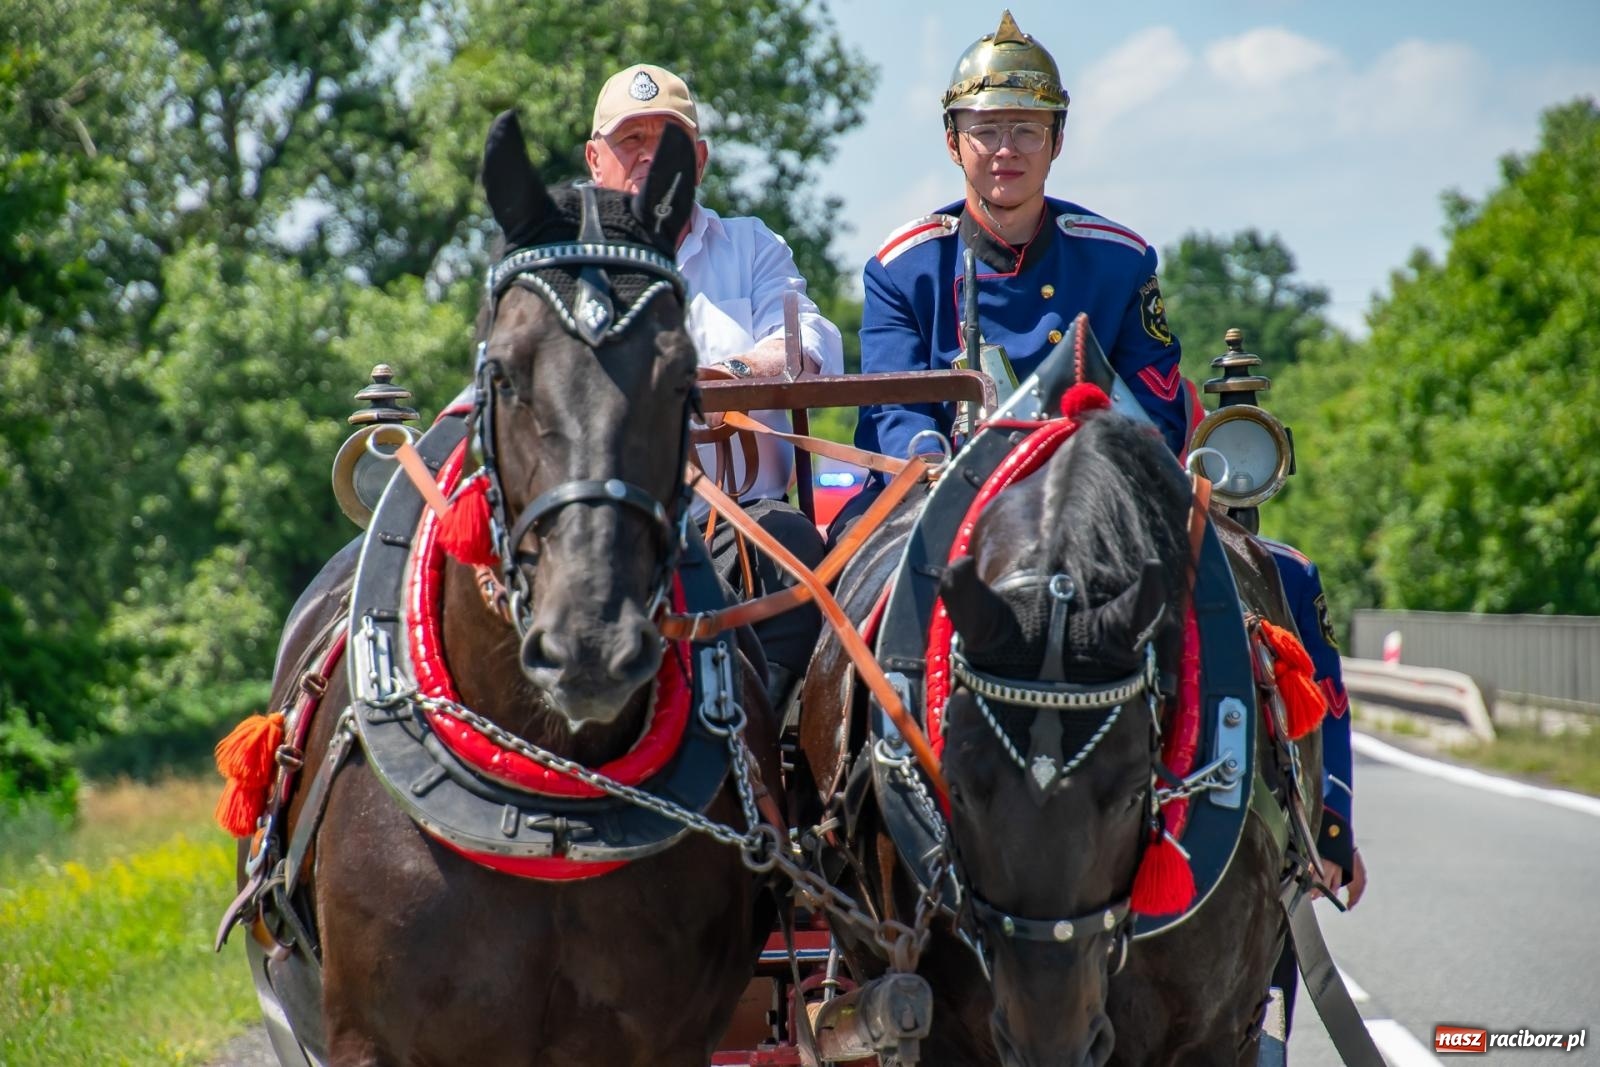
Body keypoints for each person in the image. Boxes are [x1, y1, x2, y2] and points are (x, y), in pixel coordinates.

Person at [846, 10, 1188, 524]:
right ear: (952, 143)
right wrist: (946, 478)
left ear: (1058, 141)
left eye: (1028, 130)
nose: (1007, 150)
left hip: (1090, 500)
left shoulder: (1120, 260)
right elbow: (895, 414)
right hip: (942, 499)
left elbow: (1154, 410)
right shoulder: (903, 269)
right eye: (985, 131)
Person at [586, 64, 845, 702]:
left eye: (668, 140)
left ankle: (761, 758)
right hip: (606, 532)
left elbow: (810, 341)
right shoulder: (565, 265)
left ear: (697, 160)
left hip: (744, 533)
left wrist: (726, 376)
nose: (650, 156)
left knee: (789, 541)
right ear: (597, 162)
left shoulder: (752, 247)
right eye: (631, 141)